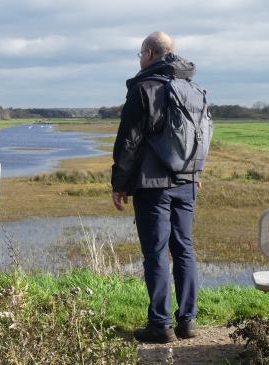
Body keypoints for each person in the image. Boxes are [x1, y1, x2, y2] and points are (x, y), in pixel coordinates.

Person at [111, 31, 206, 343]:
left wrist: (119, 184)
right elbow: (201, 136)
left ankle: (160, 325)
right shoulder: (192, 88)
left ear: (150, 53)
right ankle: (188, 321)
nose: (139, 60)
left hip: (153, 184)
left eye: (140, 54)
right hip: (187, 180)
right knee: (184, 249)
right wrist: (195, 171)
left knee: (155, 253)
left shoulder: (144, 89)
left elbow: (128, 141)